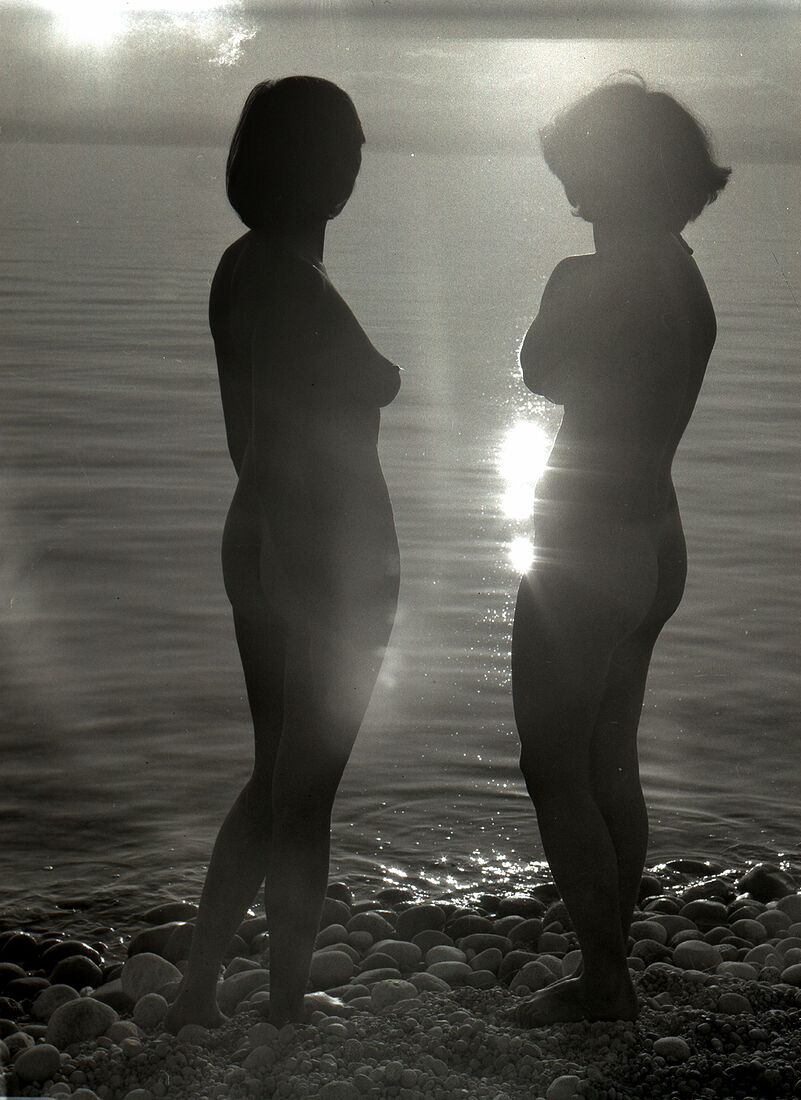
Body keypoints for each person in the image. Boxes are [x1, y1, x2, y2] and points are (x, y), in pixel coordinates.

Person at [167, 77, 401, 1030]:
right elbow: (275, 433)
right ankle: (287, 1007)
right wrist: (299, 564)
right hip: (320, 552)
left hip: (264, 536)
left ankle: (198, 991)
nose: (353, 168)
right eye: (341, 151)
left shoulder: (243, 265)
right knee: (305, 794)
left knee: (275, 781)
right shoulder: (294, 282)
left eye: (357, 150)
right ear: (306, 165)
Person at [511, 74, 729, 1026]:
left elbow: (540, 371)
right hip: (656, 539)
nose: (571, 193)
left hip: (586, 544)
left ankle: (604, 979)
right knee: (610, 759)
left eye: (579, 173)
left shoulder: (590, 278)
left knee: (552, 763)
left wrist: (568, 283)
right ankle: (608, 966)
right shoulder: (686, 280)